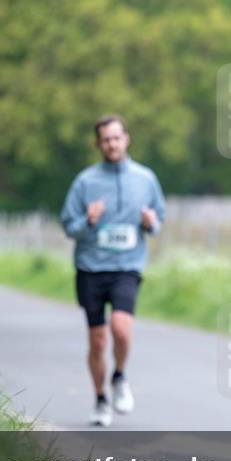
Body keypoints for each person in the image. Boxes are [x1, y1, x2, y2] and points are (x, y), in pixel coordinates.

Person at [60, 115, 166, 428]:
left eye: (117, 138)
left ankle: (119, 375)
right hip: (91, 267)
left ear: (126, 139)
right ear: (98, 144)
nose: (112, 144)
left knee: (120, 328)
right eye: (106, 139)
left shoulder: (145, 178)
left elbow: (158, 217)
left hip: (127, 266)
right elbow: (68, 224)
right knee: (97, 341)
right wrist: (89, 221)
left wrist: (151, 223)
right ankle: (100, 399)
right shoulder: (85, 182)